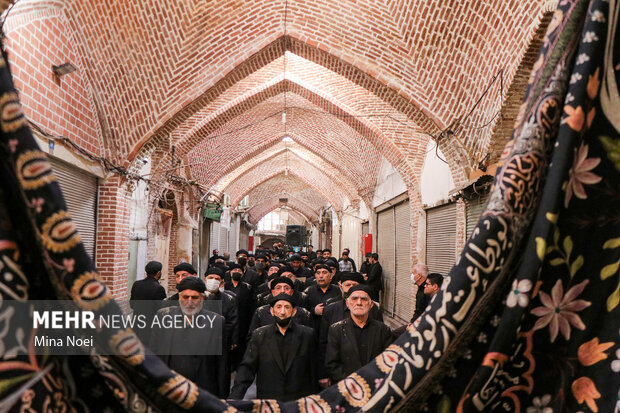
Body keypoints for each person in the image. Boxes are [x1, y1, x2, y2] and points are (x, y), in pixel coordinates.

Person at [150, 277, 228, 397]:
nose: (190, 301)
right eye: (185, 297)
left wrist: (222, 400)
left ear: (202, 298)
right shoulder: (163, 317)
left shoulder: (217, 322)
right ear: (179, 297)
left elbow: (222, 365)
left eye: (195, 297)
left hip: (202, 393)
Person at [230, 294, 318, 401]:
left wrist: (314, 400)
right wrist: (234, 398)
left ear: (294, 311)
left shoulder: (307, 334)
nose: (282, 312)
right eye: (278, 307)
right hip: (268, 399)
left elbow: (314, 369)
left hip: (298, 400)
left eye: (287, 307)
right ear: (272, 311)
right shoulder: (259, 335)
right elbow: (247, 369)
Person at [325, 285, 392, 383]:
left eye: (364, 299)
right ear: (347, 303)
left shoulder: (383, 330)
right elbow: (332, 364)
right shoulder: (336, 330)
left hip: (376, 386)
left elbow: (389, 361)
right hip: (347, 388)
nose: (359, 303)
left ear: (371, 304)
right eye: (354, 298)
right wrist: (353, 384)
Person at [247, 276, 312, 339]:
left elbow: (309, 338)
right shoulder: (260, 311)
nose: (282, 291)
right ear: (273, 292)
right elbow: (252, 337)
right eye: (278, 288)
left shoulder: (303, 312)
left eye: (286, 288)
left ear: (291, 292)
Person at [225, 263, 254, 370]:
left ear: (242, 273)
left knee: (241, 344)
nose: (237, 272)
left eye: (239, 270)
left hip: (242, 320)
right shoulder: (226, 286)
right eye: (234, 270)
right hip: (229, 320)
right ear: (230, 273)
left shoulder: (246, 287)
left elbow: (250, 305)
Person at [129, 260, 166, 342]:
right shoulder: (159, 288)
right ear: (158, 273)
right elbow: (160, 309)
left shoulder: (136, 284)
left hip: (136, 324)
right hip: (151, 327)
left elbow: (132, 304)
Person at [303, 264, 341, 337]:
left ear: (330, 276)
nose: (321, 276)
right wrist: (314, 311)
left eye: (324, 273)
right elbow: (302, 312)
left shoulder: (338, 291)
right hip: (313, 330)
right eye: (318, 273)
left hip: (333, 330)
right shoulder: (308, 291)